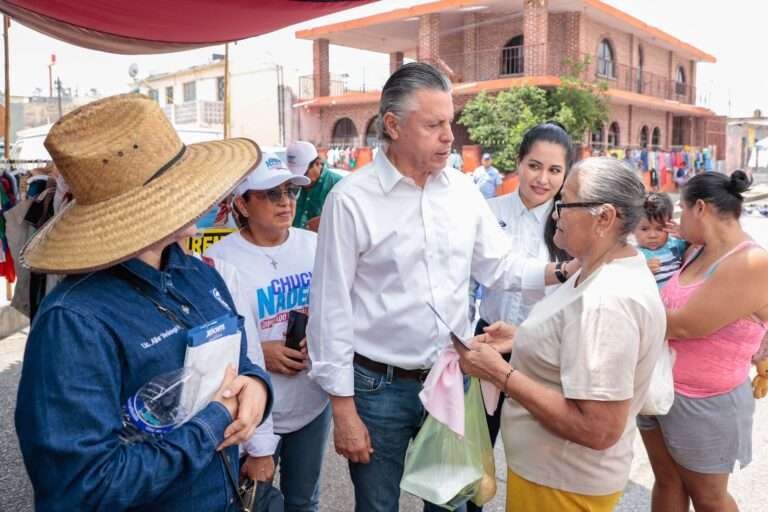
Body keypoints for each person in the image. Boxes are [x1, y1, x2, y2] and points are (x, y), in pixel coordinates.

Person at [308, 62, 581, 512]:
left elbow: (500, 266)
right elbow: (331, 307)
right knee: (377, 505)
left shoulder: (461, 191)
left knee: (452, 503)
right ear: (393, 126)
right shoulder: (351, 200)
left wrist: (567, 271)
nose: (449, 137)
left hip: (452, 377)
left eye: (449, 123)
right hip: (378, 388)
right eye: (434, 124)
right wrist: (343, 408)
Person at [14, 94, 273, 511]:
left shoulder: (198, 274)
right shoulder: (74, 321)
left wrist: (258, 386)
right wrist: (212, 423)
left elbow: (238, 365)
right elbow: (83, 486)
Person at [458, 157, 666, 512]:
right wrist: (521, 337)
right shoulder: (599, 269)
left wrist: (500, 373)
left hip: (563, 486)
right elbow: (577, 340)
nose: (555, 214)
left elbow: (597, 428)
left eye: (565, 203)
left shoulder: (608, 299)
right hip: (551, 476)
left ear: (604, 218)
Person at [205, 153, 331, 512]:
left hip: (311, 401)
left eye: (290, 191)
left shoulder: (314, 246)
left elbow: (338, 308)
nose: (285, 202)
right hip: (252, 410)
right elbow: (216, 341)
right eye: (271, 194)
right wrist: (262, 350)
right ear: (242, 204)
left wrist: (319, 337)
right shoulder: (219, 260)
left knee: (304, 501)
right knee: (253, 500)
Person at [638, 170, 768, 512]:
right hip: (660, 386)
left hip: (706, 403)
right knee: (667, 481)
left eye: (681, 210)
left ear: (699, 208)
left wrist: (618, 313)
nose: (676, 220)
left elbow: (684, 326)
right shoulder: (696, 250)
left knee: (708, 498)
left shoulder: (750, 261)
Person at [467, 122, 573, 512]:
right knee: (473, 451)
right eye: (534, 165)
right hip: (489, 344)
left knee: (536, 456)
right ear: (518, 163)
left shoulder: (570, 223)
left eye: (554, 170)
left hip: (545, 353)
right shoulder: (488, 212)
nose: (542, 179)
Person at [634, 192, 689, 288]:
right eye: (644, 229)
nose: (652, 235)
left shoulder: (675, 245)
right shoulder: (634, 254)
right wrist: (642, 271)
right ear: (632, 228)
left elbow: (696, 246)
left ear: (669, 224)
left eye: (659, 229)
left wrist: (684, 234)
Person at [287, 140, 343, 232]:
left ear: (317, 163)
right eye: (295, 175)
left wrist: (328, 221)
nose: (300, 180)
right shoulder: (290, 184)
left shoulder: (338, 185)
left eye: (303, 173)